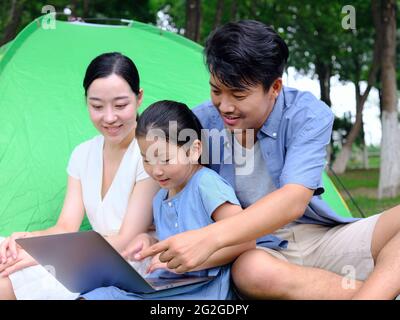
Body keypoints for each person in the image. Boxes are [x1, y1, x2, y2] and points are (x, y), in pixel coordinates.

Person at [136, 20, 400, 300]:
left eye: (238, 94)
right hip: (256, 249)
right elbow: (159, 173)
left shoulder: (307, 114)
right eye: (216, 90)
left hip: (319, 236)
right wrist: (136, 235)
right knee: (251, 271)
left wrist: (209, 238)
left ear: (274, 87)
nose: (224, 106)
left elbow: (293, 200)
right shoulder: (199, 122)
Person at [0, 52, 159, 300]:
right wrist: (27, 240)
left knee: (7, 284)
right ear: (86, 101)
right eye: (97, 106)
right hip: (82, 254)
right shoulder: (83, 154)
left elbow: (126, 240)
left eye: (120, 105)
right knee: (5, 252)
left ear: (139, 98)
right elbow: (65, 226)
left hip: (124, 263)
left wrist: (45, 255)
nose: (109, 117)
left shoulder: (150, 154)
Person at [80, 100, 255, 300]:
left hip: (201, 291)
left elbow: (245, 241)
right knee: (93, 294)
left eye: (165, 159)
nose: (156, 170)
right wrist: (150, 241)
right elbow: (174, 239)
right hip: (168, 285)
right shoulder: (160, 197)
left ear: (194, 150)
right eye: (146, 159)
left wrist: (194, 260)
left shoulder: (206, 184)